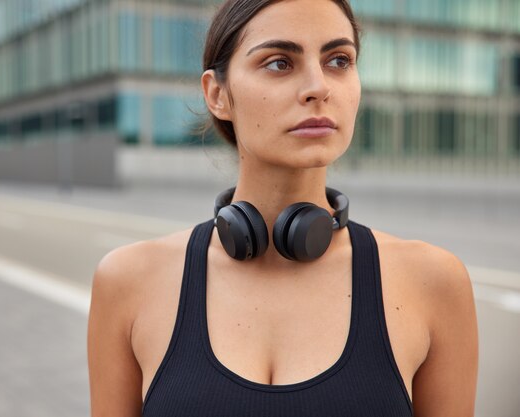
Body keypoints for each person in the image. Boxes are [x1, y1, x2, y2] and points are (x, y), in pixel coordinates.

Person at [87, 0, 478, 415]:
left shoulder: (434, 282)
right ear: (218, 95)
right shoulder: (127, 281)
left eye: (339, 60)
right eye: (279, 63)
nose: (319, 86)